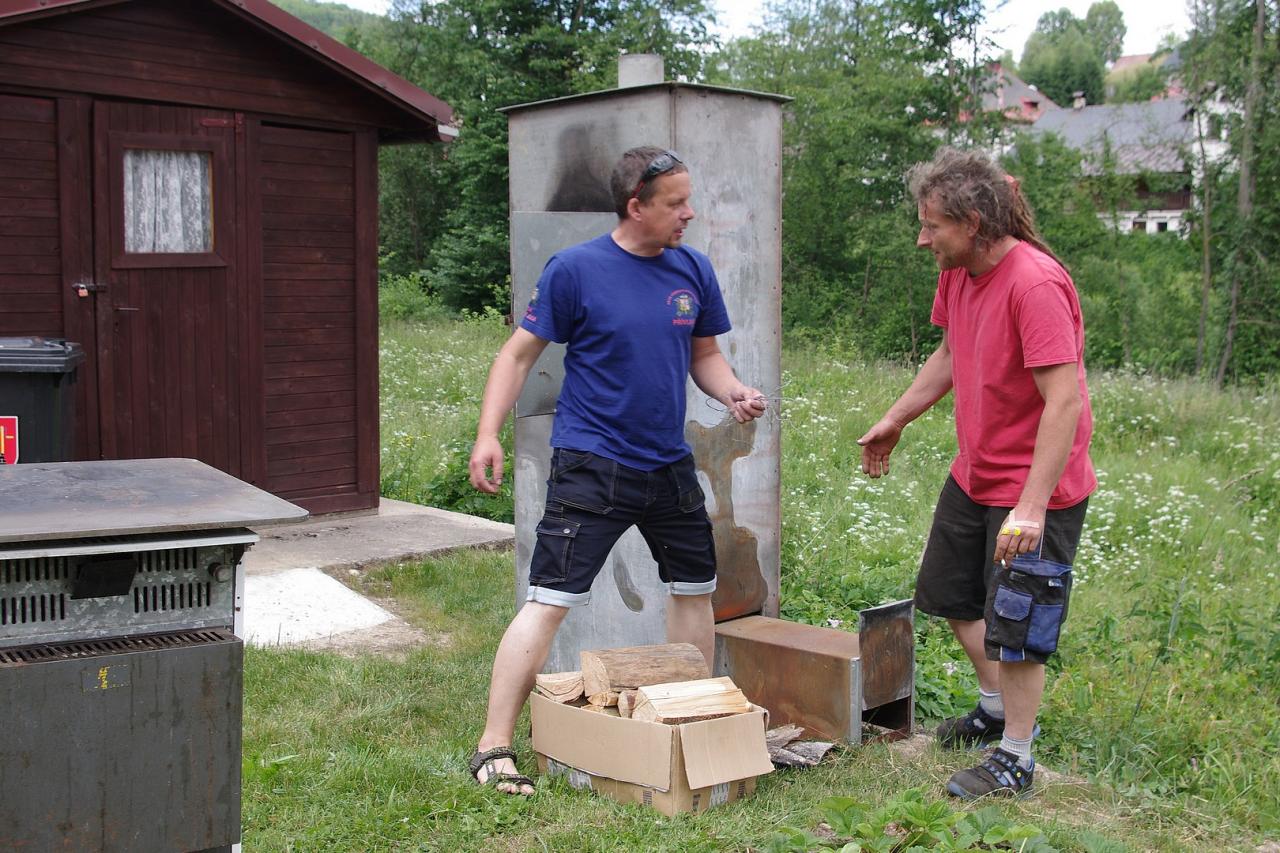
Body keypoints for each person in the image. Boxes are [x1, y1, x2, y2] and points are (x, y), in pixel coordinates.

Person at [466, 146, 767, 796]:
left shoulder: (691, 270)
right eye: (676, 203)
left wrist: (733, 391)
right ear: (636, 206)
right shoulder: (576, 270)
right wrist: (488, 433)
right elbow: (517, 356)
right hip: (591, 464)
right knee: (550, 600)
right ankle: (493, 746)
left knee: (694, 588)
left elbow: (705, 355)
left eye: (688, 200)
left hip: (668, 464)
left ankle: (685, 726)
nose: (689, 213)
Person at [858, 147, 1095, 799]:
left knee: (1017, 622)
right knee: (951, 595)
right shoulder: (959, 272)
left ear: (973, 223)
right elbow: (949, 352)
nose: (922, 238)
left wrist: (1032, 506)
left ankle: (1015, 755)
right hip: (976, 474)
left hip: (1036, 487)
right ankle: (994, 707)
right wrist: (896, 417)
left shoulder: (1034, 283)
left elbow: (1065, 401)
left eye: (932, 225)